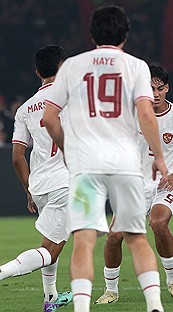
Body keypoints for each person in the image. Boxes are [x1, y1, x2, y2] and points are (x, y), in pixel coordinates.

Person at [43, 5, 167, 312]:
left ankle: (81, 309)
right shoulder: (136, 66)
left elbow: (49, 117)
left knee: (84, 239)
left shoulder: (72, 66)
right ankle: (154, 306)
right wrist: (160, 157)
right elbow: (146, 114)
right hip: (125, 164)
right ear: (125, 34)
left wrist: (68, 149)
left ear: (91, 33)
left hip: (85, 166)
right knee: (137, 237)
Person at [94, 65, 173, 305]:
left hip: (168, 185)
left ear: (167, 88)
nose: (155, 94)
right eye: (150, 88)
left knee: (158, 222)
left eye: (159, 88)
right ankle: (111, 290)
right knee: (113, 237)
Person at [2, 45, 73, 312]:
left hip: (41, 185)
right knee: (51, 249)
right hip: (66, 183)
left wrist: (28, 189)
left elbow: (17, 157)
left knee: (52, 239)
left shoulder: (24, 109)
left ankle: (51, 298)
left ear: (37, 72)